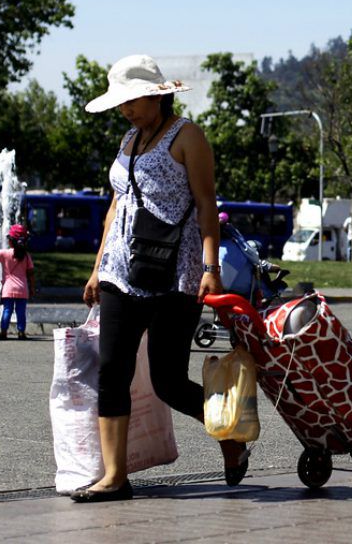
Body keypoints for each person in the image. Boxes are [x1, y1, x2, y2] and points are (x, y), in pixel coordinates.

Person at [74, 54, 240, 503]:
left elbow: (207, 204)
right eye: (121, 103)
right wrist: (97, 267)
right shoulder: (129, 139)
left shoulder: (187, 136)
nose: (125, 110)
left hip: (175, 273)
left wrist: (211, 269)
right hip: (120, 269)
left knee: (168, 380)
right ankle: (114, 476)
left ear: (156, 94)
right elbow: (116, 207)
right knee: (112, 371)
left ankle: (230, 437)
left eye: (131, 101)